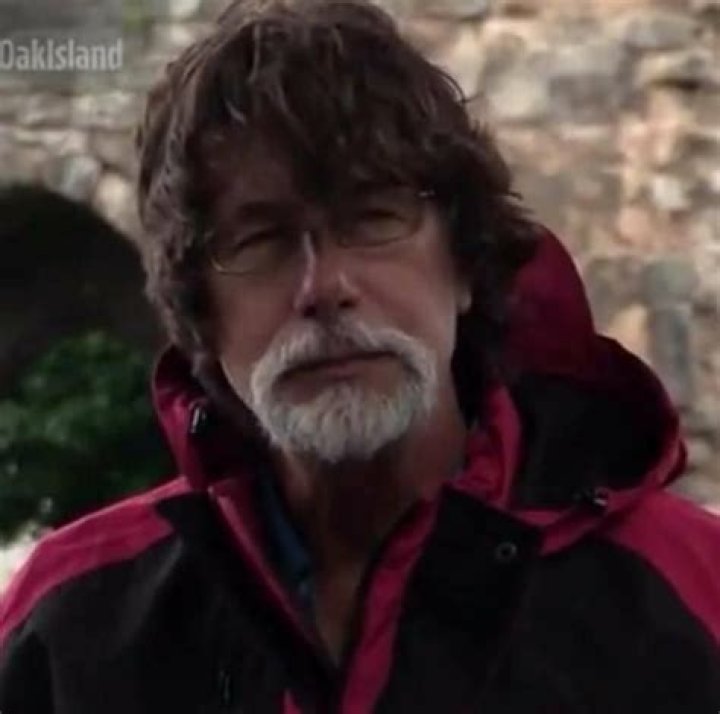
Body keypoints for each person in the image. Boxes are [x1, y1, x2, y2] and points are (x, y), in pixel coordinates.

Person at [1, 1, 719, 711]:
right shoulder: (69, 632)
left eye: (374, 219)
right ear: (201, 315)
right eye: (259, 241)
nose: (324, 287)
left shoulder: (690, 592)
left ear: (466, 264)